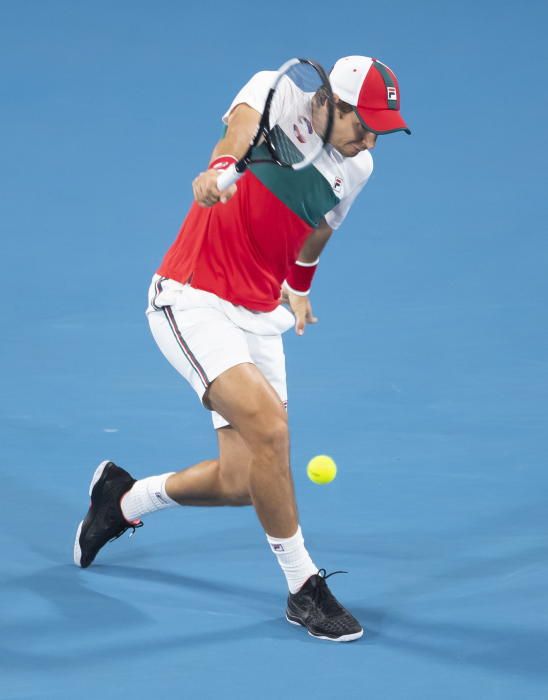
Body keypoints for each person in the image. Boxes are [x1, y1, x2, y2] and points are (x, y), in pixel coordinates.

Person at [73, 55, 410, 642]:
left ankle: (122, 501)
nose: (372, 136)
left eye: (383, 126)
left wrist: (299, 288)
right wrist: (221, 169)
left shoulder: (359, 169)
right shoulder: (272, 95)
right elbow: (236, 133)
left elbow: (321, 225)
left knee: (240, 482)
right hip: (192, 296)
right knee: (272, 432)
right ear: (329, 102)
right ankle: (304, 589)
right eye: (364, 122)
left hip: (259, 314)